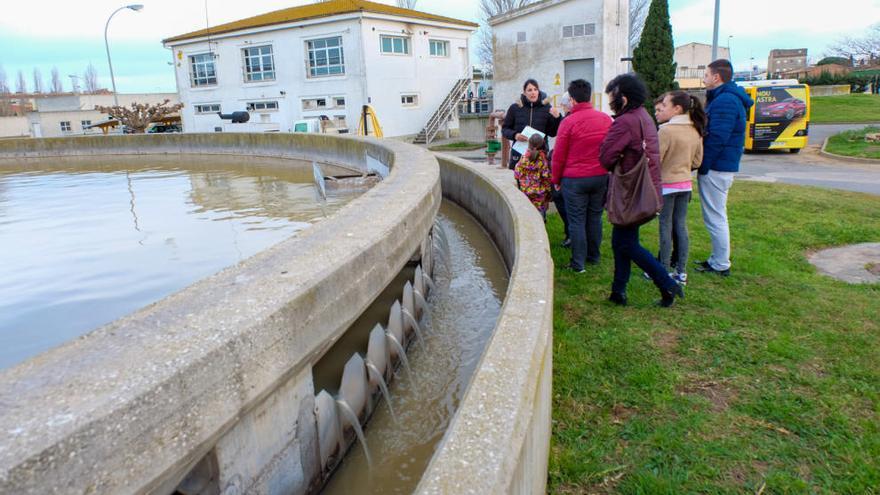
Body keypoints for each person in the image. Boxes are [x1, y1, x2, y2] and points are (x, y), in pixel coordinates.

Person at [599, 74, 684, 307]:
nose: (611, 101)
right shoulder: (644, 116)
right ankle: (618, 292)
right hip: (646, 189)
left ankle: (667, 284)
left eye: (612, 97)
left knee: (627, 244)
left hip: (630, 192)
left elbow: (605, 158)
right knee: (621, 242)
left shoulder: (625, 122)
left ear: (623, 99)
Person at [696, 59, 754, 276]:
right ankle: (717, 259)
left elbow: (718, 137)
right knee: (715, 215)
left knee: (715, 216)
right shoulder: (723, 98)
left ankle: (720, 264)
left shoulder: (725, 101)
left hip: (717, 168)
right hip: (719, 166)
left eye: (706, 74)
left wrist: (703, 165)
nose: (704, 78)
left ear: (716, 77)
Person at [551, 79, 613, 272]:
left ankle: (578, 264)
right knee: (594, 217)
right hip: (600, 176)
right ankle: (593, 256)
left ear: (572, 99)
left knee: (576, 220)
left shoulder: (568, 122)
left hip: (574, 179)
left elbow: (558, 155)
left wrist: (556, 180)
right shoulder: (605, 119)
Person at [653, 90, 706, 285]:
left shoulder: (666, 131)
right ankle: (681, 271)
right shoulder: (695, 129)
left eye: (665, 106)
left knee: (665, 228)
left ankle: (663, 270)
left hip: (667, 186)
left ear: (677, 109)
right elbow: (698, 160)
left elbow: (655, 160)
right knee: (680, 227)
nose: (662, 109)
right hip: (685, 185)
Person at [502, 79, 562, 170]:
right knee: (519, 183)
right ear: (524, 93)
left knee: (540, 183)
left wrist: (557, 118)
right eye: (529, 90)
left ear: (538, 91)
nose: (533, 92)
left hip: (540, 154)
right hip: (520, 154)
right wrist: (515, 135)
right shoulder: (515, 108)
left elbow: (552, 133)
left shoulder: (547, 108)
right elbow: (505, 129)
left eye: (535, 89)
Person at [551, 93, 572, 248]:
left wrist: (556, 179)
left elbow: (560, 149)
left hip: (571, 172)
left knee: (561, 198)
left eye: (564, 105)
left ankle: (571, 235)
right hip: (592, 174)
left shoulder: (568, 120)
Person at [514, 133, 553, 219]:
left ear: (529, 143)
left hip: (525, 194)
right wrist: (548, 198)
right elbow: (547, 180)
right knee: (539, 219)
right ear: (542, 144)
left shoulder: (523, 158)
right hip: (540, 197)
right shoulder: (543, 160)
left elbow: (516, 174)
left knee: (527, 218)